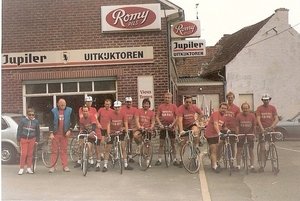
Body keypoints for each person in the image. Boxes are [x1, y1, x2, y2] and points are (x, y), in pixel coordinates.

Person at [102, 101, 133, 172]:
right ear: (113, 107)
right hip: (112, 132)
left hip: (120, 131)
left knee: (123, 148)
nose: (117, 109)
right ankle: (105, 165)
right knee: (108, 149)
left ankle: (125, 164)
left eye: (118, 107)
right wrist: (109, 134)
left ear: (121, 107)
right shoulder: (110, 114)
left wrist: (127, 133)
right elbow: (108, 125)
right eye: (116, 107)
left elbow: (125, 123)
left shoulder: (123, 113)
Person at [75, 96, 102, 172]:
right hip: (89, 134)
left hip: (96, 133)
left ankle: (98, 164)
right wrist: (81, 133)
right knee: (88, 146)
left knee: (97, 149)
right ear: (82, 111)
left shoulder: (92, 116)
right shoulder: (81, 119)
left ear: (88, 111)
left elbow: (93, 124)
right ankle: (89, 161)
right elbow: (82, 127)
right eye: (84, 111)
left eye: (86, 111)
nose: (85, 112)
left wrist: (93, 131)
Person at [48, 99, 76, 173]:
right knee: (54, 151)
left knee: (64, 151)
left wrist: (70, 130)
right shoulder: (53, 111)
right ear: (58, 104)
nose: (63, 105)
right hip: (55, 134)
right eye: (61, 104)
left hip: (65, 134)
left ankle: (65, 166)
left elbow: (74, 121)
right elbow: (50, 122)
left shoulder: (70, 110)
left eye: (64, 104)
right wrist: (51, 133)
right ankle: (53, 166)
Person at [177, 95, 203, 168]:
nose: (188, 103)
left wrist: (197, 120)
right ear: (184, 102)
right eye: (187, 102)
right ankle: (181, 160)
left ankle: (196, 145)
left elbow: (201, 113)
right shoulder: (181, 108)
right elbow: (180, 120)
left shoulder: (194, 107)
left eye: (190, 102)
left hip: (191, 124)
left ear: (192, 102)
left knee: (195, 131)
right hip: (184, 126)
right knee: (182, 144)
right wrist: (181, 130)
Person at [256, 93, 279, 173]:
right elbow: (258, 119)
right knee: (262, 148)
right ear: (262, 100)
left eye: (267, 100)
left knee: (272, 146)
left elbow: (276, 119)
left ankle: (275, 165)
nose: (266, 101)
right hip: (262, 131)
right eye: (264, 100)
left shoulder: (273, 108)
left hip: (271, 131)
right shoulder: (259, 108)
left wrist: (272, 127)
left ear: (269, 100)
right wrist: (262, 129)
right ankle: (262, 165)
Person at [155, 92, 179, 166]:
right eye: (166, 98)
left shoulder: (174, 106)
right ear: (164, 98)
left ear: (171, 99)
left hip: (171, 127)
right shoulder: (161, 106)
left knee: (173, 144)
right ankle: (159, 159)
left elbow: (177, 116)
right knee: (161, 144)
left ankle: (174, 159)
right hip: (163, 127)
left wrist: (173, 124)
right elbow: (157, 116)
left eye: (168, 98)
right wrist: (160, 124)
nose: (167, 99)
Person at [204, 102, 228, 173]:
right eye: (222, 108)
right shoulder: (215, 114)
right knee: (214, 149)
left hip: (217, 135)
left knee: (219, 148)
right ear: (219, 108)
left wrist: (228, 130)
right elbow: (215, 124)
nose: (223, 110)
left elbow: (224, 126)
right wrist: (219, 133)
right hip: (210, 134)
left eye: (225, 109)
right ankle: (214, 166)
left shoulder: (224, 117)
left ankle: (215, 161)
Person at [17, 108, 40, 175]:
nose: (31, 116)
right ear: (27, 114)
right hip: (24, 138)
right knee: (23, 154)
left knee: (30, 154)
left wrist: (37, 140)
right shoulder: (23, 121)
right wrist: (18, 139)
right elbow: (19, 130)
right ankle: (21, 168)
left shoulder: (36, 122)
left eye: (33, 115)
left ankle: (28, 168)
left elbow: (37, 131)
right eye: (30, 114)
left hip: (32, 139)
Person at [235, 102, 257, 173]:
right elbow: (237, 126)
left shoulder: (252, 116)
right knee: (239, 150)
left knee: (251, 150)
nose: (245, 110)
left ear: (249, 109)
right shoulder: (238, 116)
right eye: (244, 108)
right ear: (242, 109)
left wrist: (254, 134)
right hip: (241, 134)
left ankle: (252, 166)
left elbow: (254, 126)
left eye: (246, 108)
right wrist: (237, 135)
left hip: (250, 134)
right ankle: (238, 166)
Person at [133, 98, 155, 166]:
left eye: (147, 104)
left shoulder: (151, 112)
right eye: (144, 104)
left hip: (147, 129)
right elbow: (136, 120)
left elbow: (153, 121)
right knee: (135, 136)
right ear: (142, 104)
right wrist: (139, 127)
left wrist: (151, 127)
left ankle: (147, 160)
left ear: (149, 105)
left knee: (147, 145)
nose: (146, 105)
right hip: (140, 128)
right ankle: (139, 145)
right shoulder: (138, 111)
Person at [224, 92, 240, 163]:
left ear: (233, 98)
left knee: (232, 145)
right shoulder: (224, 107)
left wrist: (237, 131)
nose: (230, 99)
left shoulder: (236, 108)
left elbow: (238, 120)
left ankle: (232, 159)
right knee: (222, 144)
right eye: (229, 97)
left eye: (231, 97)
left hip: (232, 128)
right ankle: (222, 158)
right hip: (224, 128)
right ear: (227, 98)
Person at [121, 97, 137, 163]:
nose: (129, 103)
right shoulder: (122, 108)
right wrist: (121, 127)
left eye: (130, 102)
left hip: (130, 126)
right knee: (122, 142)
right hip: (122, 126)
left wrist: (135, 127)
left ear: (132, 102)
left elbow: (136, 119)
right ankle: (121, 154)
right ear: (125, 102)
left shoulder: (134, 109)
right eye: (127, 102)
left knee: (130, 142)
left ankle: (130, 156)